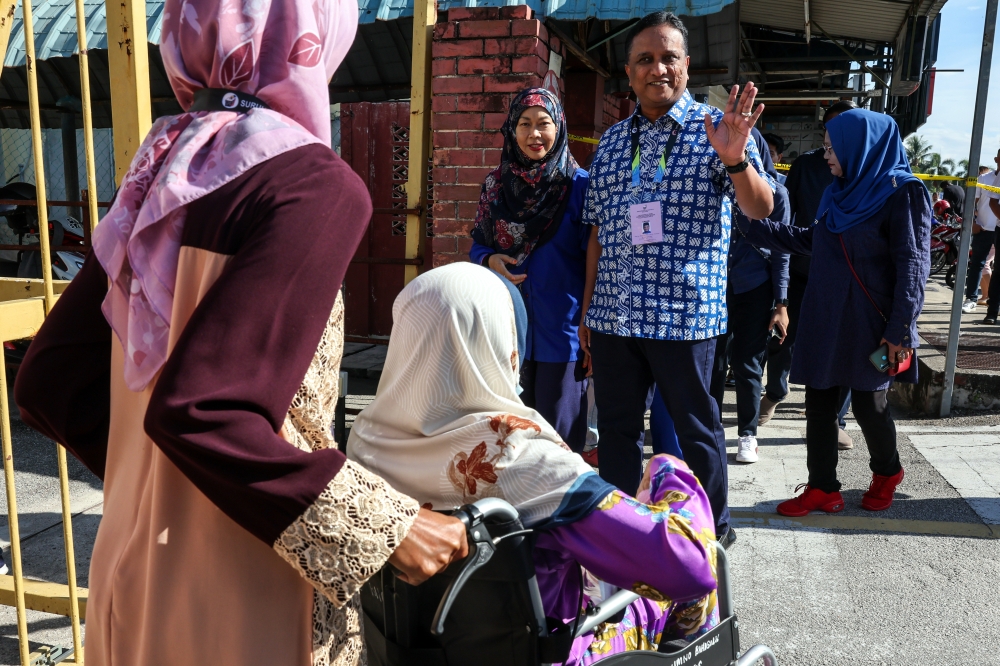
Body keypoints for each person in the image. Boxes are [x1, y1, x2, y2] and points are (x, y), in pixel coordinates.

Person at [13, 1, 469, 664]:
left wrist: (164, 491)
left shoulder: (163, 169)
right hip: (246, 595)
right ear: (310, 33)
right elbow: (207, 411)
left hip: (133, 573)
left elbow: (50, 382)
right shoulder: (312, 183)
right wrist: (384, 530)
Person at [348, 263, 720, 664]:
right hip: (547, 652)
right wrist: (669, 476)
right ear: (501, 341)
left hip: (414, 651)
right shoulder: (525, 460)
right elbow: (690, 567)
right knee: (687, 526)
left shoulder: (365, 441)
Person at [578, 11, 775, 549]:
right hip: (616, 315)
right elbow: (597, 233)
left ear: (686, 66)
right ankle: (623, 535)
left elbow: (760, 208)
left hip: (684, 316)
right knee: (617, 432)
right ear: (629, 71)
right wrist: (588, 313)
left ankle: (713, 537)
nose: (657, 68)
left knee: (698, 430)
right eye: (645, 59)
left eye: (669, 58)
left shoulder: (718, 130)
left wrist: (736, 161)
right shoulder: (613, 143)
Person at [734, 109, 931, 516]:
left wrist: (900, 331)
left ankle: (887, 471)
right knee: (820, 403)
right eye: (824, 147)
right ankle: (823, 487)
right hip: (827, 316)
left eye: (831, 147)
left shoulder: (903, 192)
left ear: (862, 146)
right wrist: (749, 224)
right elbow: (814, 241)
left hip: (875, 323)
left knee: (868, 406)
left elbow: (913, 266)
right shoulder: (837, 193)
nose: (826, 155)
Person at [470, 87, 591, 452]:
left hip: (563, 328)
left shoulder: (579, 186)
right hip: (506, 328)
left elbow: (595, 259)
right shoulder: (495, 186)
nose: (534, 134)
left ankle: (562, 507)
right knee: (509, 433)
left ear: (560, 128)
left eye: (544, 124)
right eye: (524, 124)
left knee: (559, 437)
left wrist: (590, 320)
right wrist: (488, 259)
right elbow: (479, 244)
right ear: (511, 129)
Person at [759, 101, 857, 452]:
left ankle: (837, 419)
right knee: (782, 339)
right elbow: (790, 223)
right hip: (803, 272)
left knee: (843, 348)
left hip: (847, 281)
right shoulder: (807, 167)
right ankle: (775, 392)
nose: (835, 138)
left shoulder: (870, 175)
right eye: (830, 130)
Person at [710, 128, 790, 465]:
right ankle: (709, 430)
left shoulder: (778, 194)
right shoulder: (714, 184)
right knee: (712, 363)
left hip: (754, 287)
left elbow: (782, 250)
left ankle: (747, 433)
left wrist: (781, 303)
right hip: (711, 286)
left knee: (747, 364)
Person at [964, 149, 1000, 316]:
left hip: (998, 230)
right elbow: (971, 202)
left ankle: (993, 303)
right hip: (984, 228)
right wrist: (972, 223)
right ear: (996, 158)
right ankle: (971, 298)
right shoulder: (983, 179)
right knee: (977, 263)